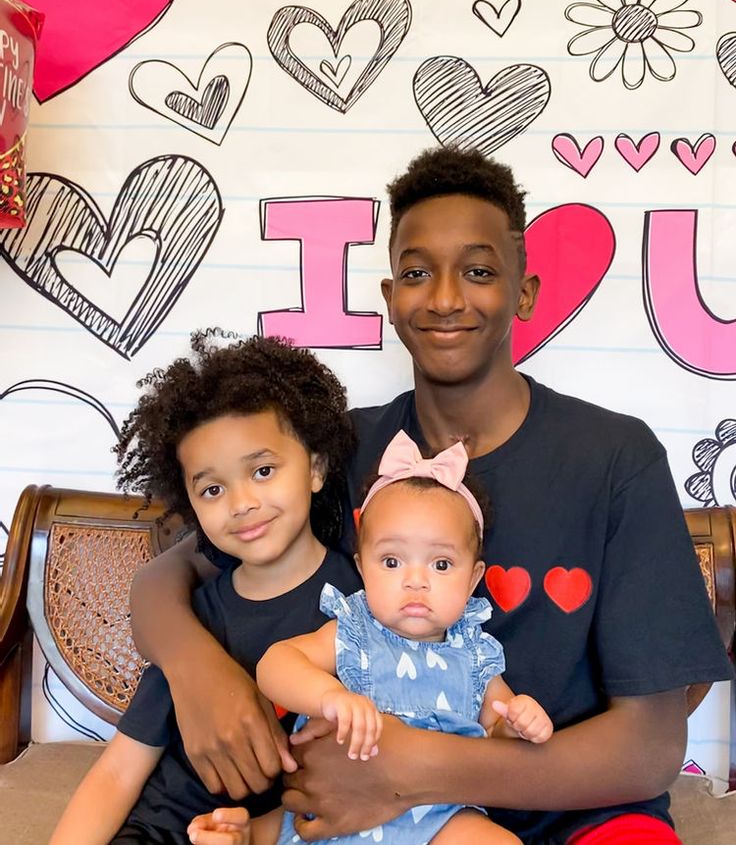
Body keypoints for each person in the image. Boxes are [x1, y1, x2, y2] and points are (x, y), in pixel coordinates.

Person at [129, 147, 733, 844]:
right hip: (380, 820)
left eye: (478, 271)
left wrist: (411, 768)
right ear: (390, 299)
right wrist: (199, 672)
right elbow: (166, 575)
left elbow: (650, 748)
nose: (445, 297)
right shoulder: (343, 452)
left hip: (575, 809)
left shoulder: (613, 458)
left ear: (525, 291)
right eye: (416, 273)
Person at [50, 331, 361, 845]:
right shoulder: (197, 618)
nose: (240, 503)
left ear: (317, 468)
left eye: (262, 470)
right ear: (190, 504)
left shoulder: (361, 602)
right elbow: (118, 773)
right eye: (213, 489)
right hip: (161, 831)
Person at [256, 429, 553, 845]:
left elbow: (496, 733)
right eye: (392, 561)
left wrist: (519, 722)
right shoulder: (356, 630)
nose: (416, 581)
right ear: (362, 569)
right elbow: (276, 664)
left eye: (442, 565)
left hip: (440, 815)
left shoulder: (474, 652)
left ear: (473, 580)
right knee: (278, 829)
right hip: (343, 807)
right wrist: (329, 697)